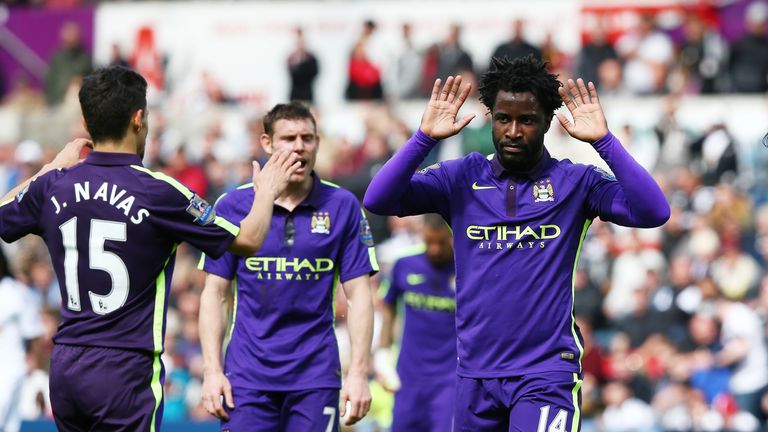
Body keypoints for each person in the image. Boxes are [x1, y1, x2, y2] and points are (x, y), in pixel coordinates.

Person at [363, 55, 670, 430]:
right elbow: (378, 200)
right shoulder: (461, 179)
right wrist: (423, 138)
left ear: (546, 122)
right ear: (491, 115)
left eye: (526, 120)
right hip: (475, 374)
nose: (513, 131)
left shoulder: (576, 183)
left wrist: (604, 142)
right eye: (504, 118)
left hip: (546, 374)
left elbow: (654, 211)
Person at [0, 65, 299, 431]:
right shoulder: (159, 191)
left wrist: (48, 168)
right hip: (124, 370)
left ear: (87, 119)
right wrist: (267, 191)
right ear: (138, 118)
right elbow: (248, 240)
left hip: (66, 367)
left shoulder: (54, 185)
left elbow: (2, 216)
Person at [198, 101, 377, 431]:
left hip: (316, 377)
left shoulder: (343, 206)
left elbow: (360, 295)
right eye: (289, 138)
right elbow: (215, 294)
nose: (299, 148)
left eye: (307, 138)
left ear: (318, 143)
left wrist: (359, 373)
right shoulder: (233, 205)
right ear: (267, 143)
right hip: (247, 378)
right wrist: (212, 371)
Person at [376, 213, 456, 432]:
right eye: (430, 242)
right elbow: (389, 307)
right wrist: (383, 354)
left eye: (441, 242)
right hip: (409, 374)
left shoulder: (466, 270)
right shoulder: (404, 265)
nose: (435, 249)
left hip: (450, 377)